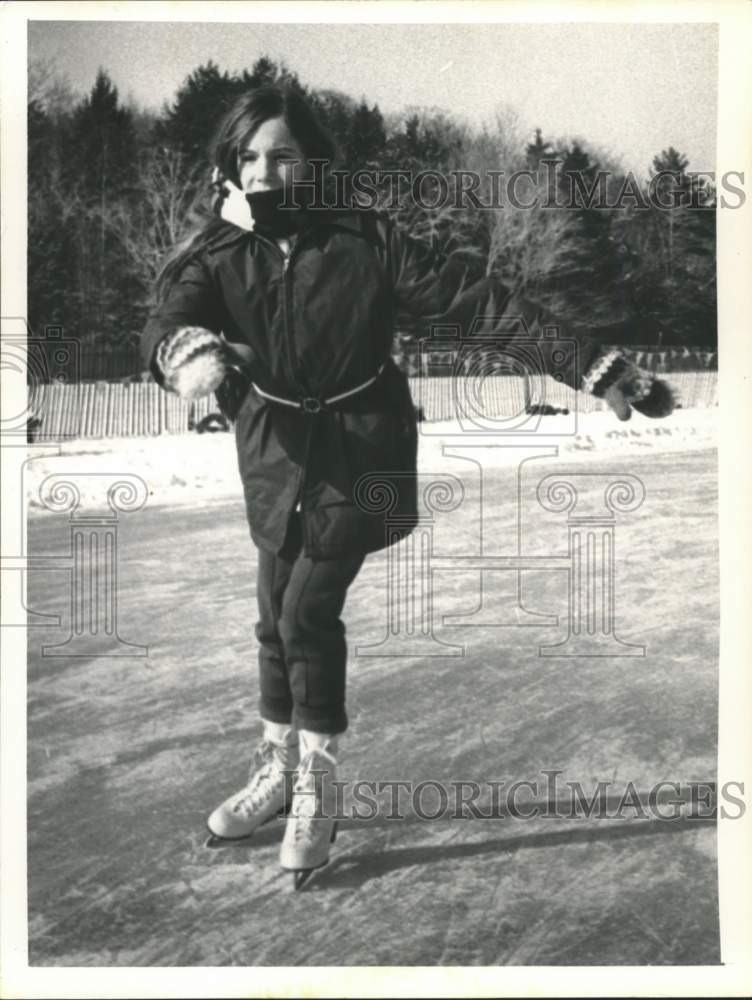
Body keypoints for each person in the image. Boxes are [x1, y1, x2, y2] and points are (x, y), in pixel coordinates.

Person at [140, 84, 674, 887]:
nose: (263, 172)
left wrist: (591, 366)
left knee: (305, 610)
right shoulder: (219, 247)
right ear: (229, 162)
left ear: (312, 161)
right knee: (272, 615)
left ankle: (319, 781)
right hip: (276, 453)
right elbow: (170, 313)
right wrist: (180, 349)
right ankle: (277, 769)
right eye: (248, 157)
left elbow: (481, 305)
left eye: (282, 155)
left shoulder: (364, 239)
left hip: (363, 450)